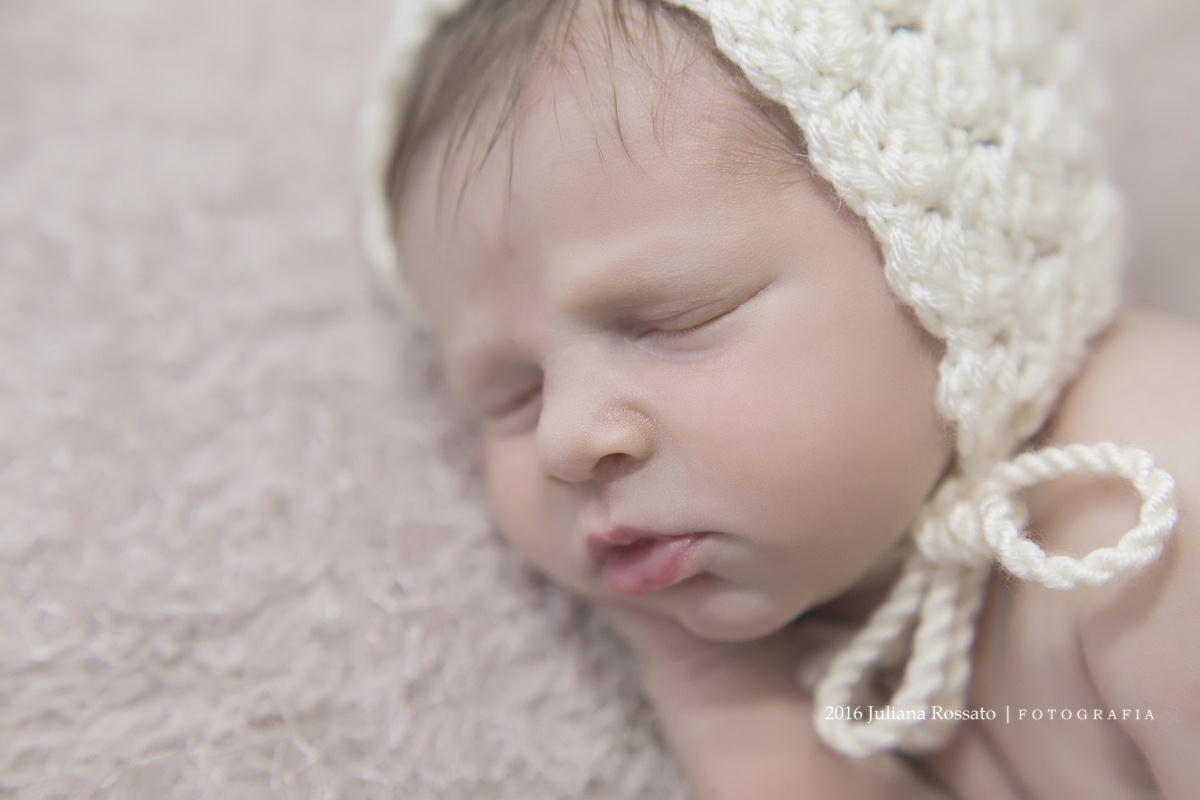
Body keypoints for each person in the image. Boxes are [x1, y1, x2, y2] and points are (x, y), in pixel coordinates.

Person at [359, 0, 1200, 796]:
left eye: (670, 318)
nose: (566, 439)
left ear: (958, 262)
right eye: (510, 393)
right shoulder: (851, 574)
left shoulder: (1149, 522)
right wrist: (724, 694)